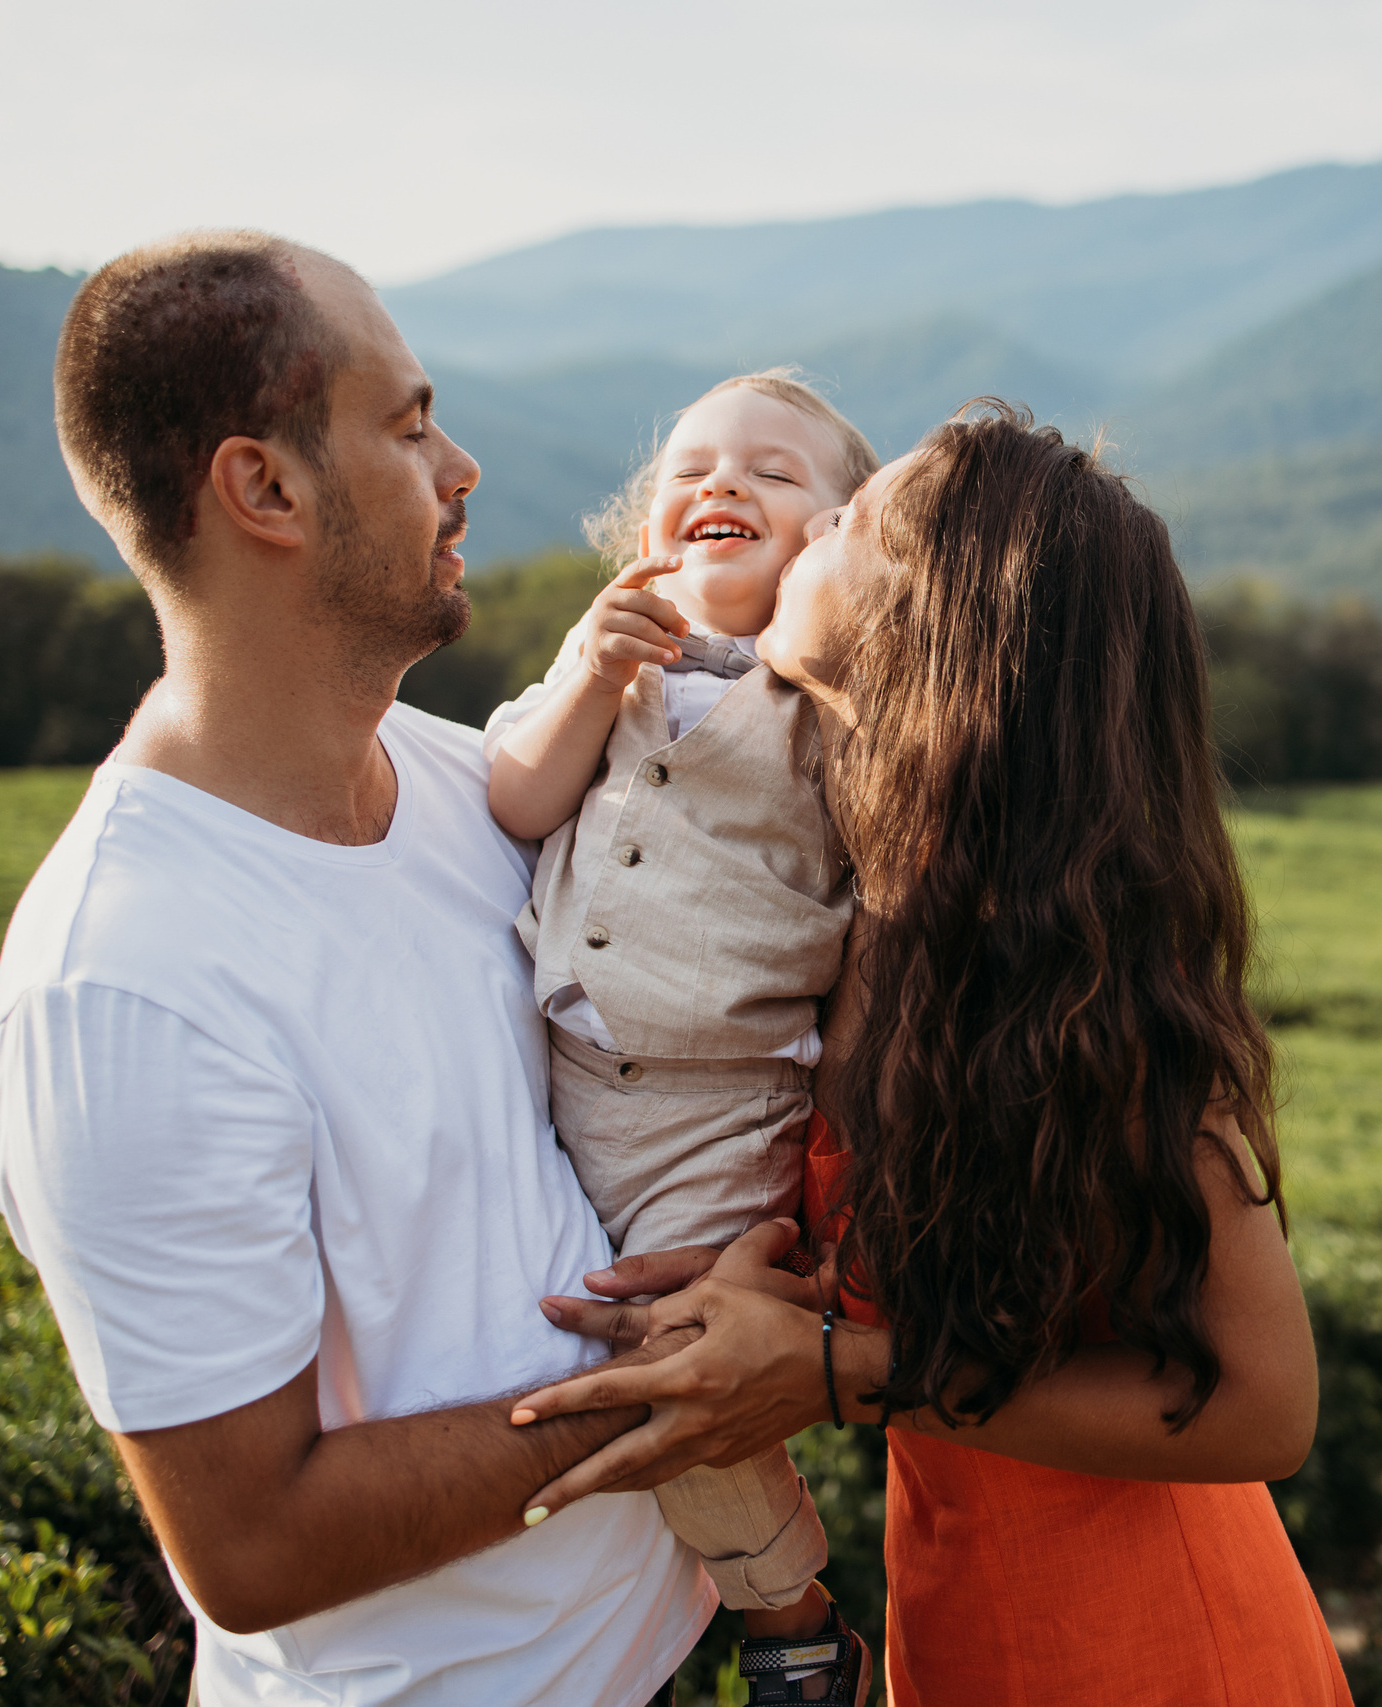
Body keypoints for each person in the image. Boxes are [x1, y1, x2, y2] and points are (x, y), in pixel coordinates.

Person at [509, 405, 1355, 1704]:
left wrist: (831, 1372)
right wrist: (756, 1286)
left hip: (1163, 1657)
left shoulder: (1065, 975)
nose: (809, 533)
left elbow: (1266, 1409)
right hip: (961, 1632)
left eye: (849, 522)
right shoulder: (867, 912)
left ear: (933, 623)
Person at [0, 231, 712, 1706]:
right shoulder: (121, 989)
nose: (462, 469)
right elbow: (253, 1547)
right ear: (266, 490)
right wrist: (682, 1392)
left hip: (664, 1650)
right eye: (411, 424)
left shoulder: (457, 779)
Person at [482, 371, 883, 1701]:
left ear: (843, 536)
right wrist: (589, 677)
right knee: (561, 1324)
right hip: (569, 1077)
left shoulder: (842, 700)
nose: (721, 484)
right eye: (690, 469)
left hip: (725, 1102)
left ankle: (793, 1625)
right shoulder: (611, 655)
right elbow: (519, 795)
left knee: (682, 1357)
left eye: (773, 472)